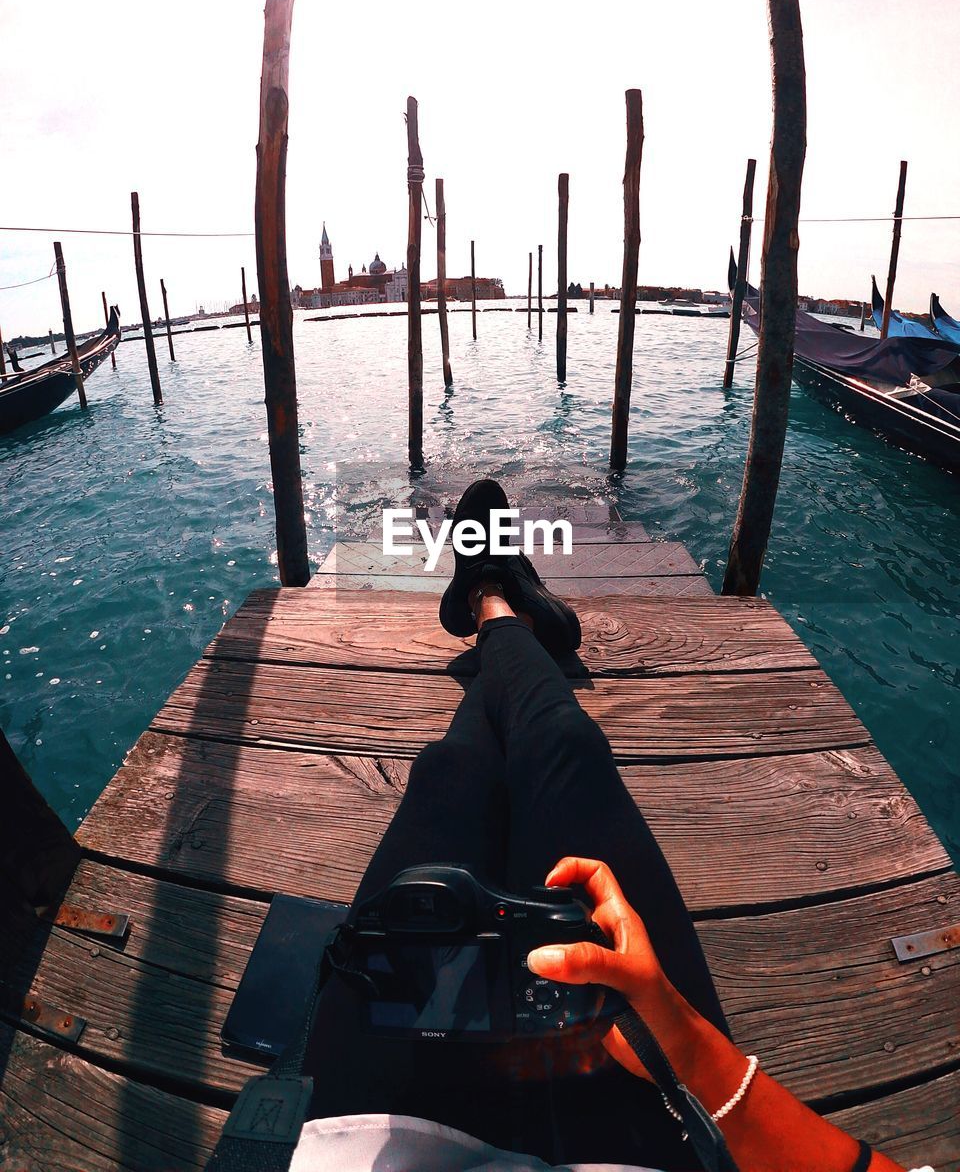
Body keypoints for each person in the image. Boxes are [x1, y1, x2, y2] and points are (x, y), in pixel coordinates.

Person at [292, 481, 933, 1172]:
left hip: (357, 1138)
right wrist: (690, 1052)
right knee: (561, 749)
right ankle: (502, 613)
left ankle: (491, 606)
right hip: (641, 1144)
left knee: (449, 773)